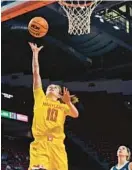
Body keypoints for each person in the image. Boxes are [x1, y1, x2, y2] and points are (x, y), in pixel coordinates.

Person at [28, 42, 79, 170]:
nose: (51, 87)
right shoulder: (40, 98)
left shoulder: (62, 106)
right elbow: (36, 74)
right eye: (49, 87)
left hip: (57, 146)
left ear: (59, 94)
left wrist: (68, 102)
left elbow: (75, 114)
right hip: (40, 144)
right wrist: (35, 54)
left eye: (55, 88)